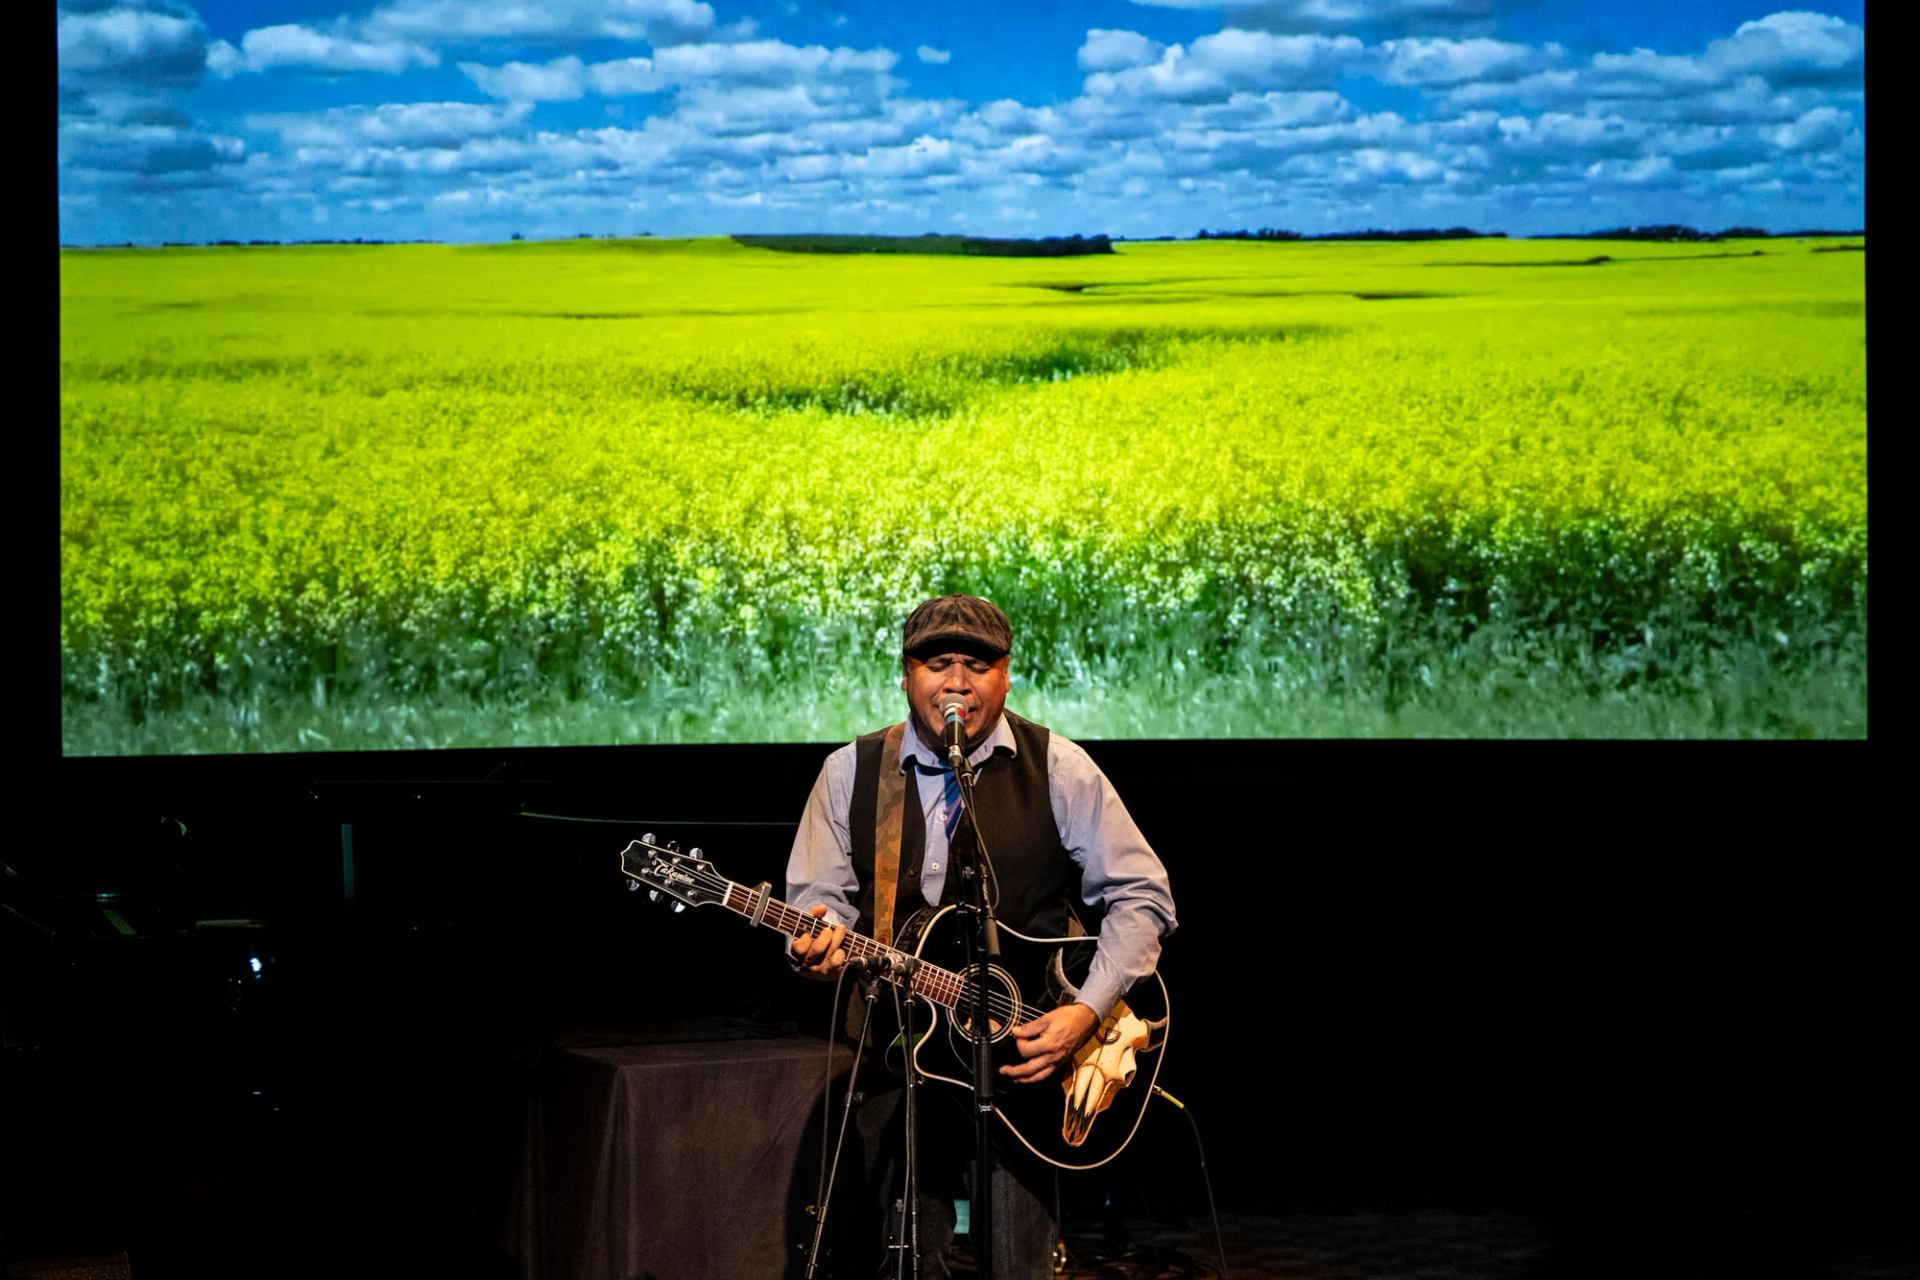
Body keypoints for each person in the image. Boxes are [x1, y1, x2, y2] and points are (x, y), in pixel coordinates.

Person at [787, 594, 1177, 1279]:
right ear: (907, 674)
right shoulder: (850, 773)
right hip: (898, 1057)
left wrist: (1084, 1012)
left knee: (1017, 1267)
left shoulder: (1058, 765)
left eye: (978, 664)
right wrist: (817, 941)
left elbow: (1143, 895)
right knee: (903, 1263)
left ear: (1006, 676)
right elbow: (820, 904)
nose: (958, 682)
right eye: (939, 663)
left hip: (1026, 1063)